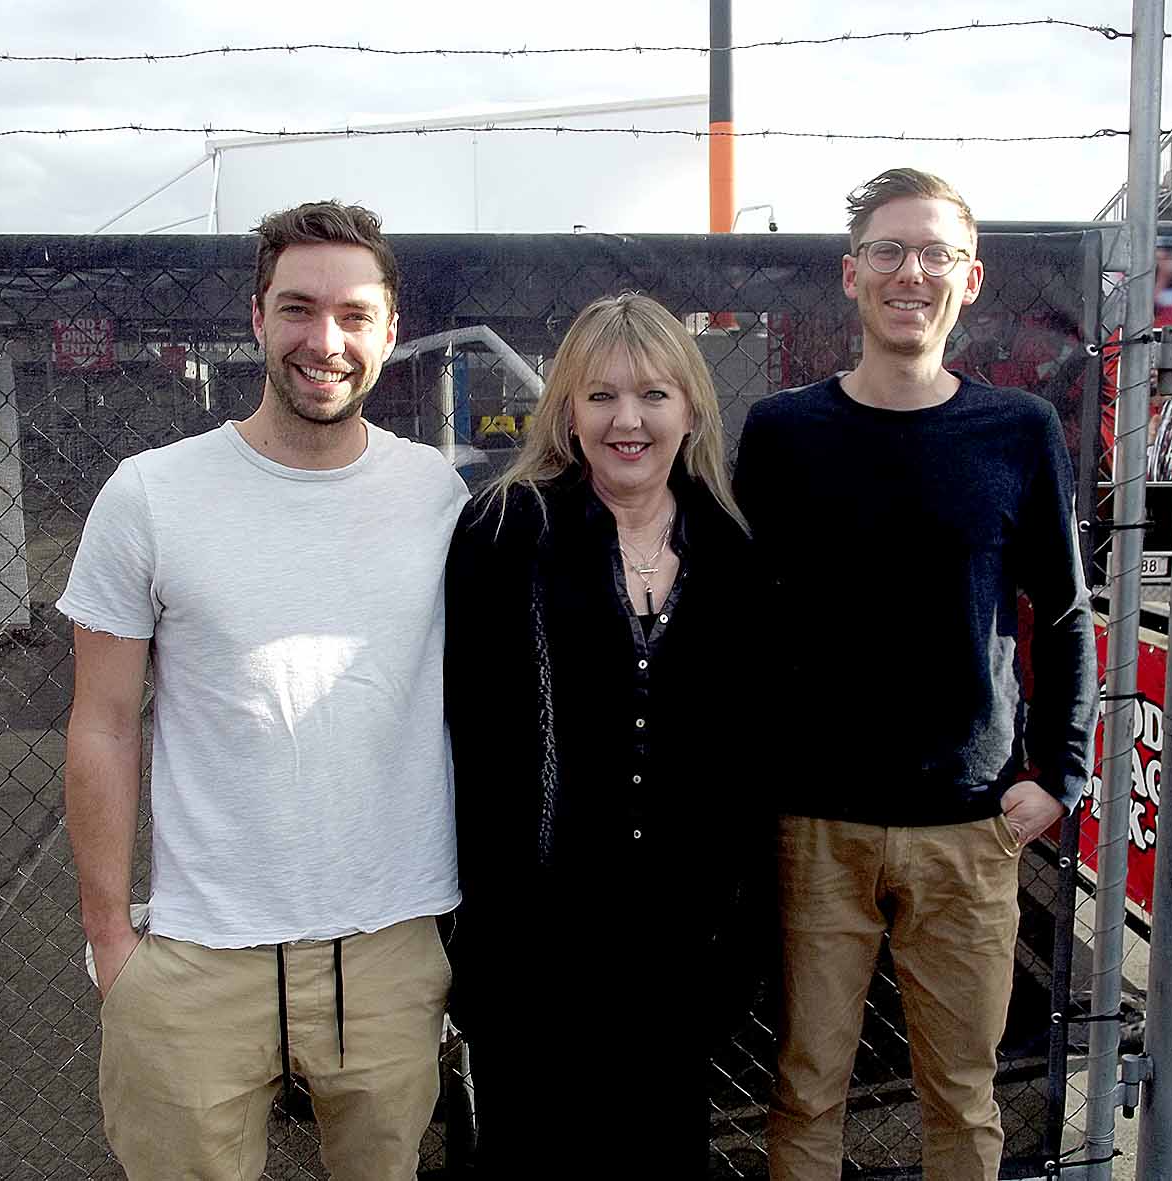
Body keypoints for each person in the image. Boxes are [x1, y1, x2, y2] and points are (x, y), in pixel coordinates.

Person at [58, 200, 468, 1181]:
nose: (324, 341)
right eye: (297, 309)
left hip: (389, 946)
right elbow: (103, 722)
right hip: (198, 956)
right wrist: (111, 940)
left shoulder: (439, 495)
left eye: (354, 313)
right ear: (256, 317)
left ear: (390, 331)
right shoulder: (151, 493)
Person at [733, 168, 1098, 1180]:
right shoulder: (783, 432)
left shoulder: (1017, 430)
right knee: (806, 1086)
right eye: (890, 251)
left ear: (969, 279)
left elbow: (1064, 613)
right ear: (852, 276)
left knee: (965, 1095)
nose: (912, 272)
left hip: (970, 822)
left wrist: (1059, 773)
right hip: (817, 825)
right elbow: (740, 617)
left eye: (935, 253)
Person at [444, 292, 771, 1179]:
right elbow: (470, 743)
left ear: (690, 407)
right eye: (601, 396)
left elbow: (745, 765)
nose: (628, 420)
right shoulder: (505, 529)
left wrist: (733, 945)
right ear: (568, 411)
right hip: (534, 948)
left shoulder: (732, 553)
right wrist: (478, 940)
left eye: (653, 395)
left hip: (676, 951)